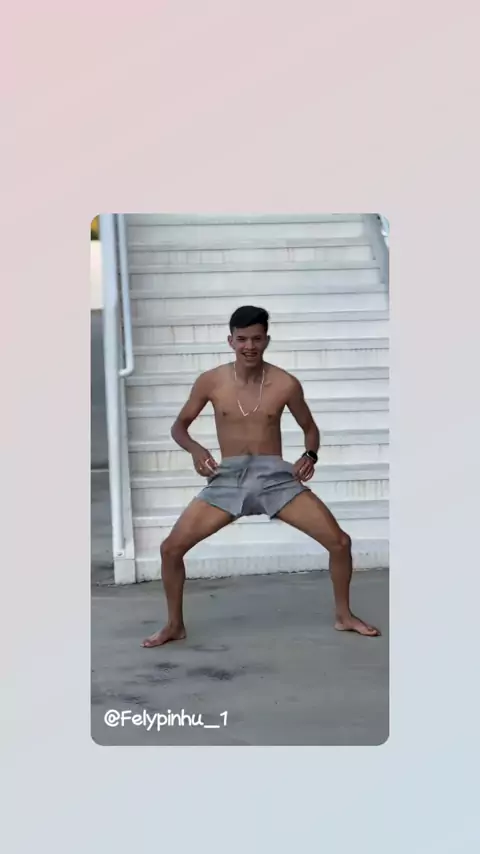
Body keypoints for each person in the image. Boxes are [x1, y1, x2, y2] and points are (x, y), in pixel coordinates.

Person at [142, 305, 380, 647]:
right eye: (242, 339)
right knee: (170, 549)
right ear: (230, 341)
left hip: (275, 479)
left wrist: (310, 455)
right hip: (228, 479)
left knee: (340, 543)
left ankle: (344, 616)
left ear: (266, 340)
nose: (249, 346)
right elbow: (179, 426)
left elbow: (310, 429)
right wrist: (195, 449)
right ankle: (174, 625)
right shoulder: (211, 381)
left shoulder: (285, 383)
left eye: (256, 339)